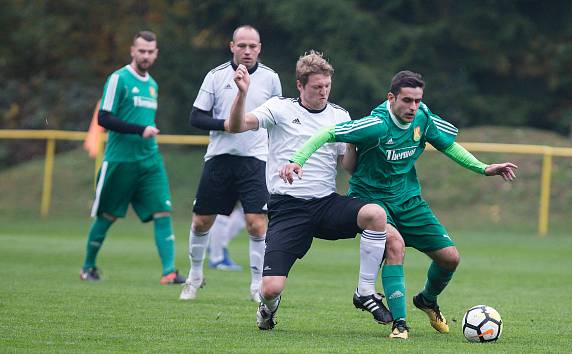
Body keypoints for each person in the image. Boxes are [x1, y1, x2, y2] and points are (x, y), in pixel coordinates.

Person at [282, 70, 518, 339]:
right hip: (370, 200)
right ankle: (400, 323)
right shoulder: (376, 125)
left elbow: (449, 146)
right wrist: (297, 160)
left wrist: (484, 168)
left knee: (450, 258)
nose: (413, 107)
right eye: (407, 100)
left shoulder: (423, 118)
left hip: (408, 200)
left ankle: (427, 300)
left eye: (417, 100)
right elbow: (327, 133)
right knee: (395, 246)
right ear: (391, 97)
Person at [227, 51, 392, 330]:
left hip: (326, 204)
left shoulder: (340, 115)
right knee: (269, 288)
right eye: (317, 87)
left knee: (375, 215)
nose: (323, 92)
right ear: (300, 85)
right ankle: (268, 310)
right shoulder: (279, 108)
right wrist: (242, 93)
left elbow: (348, 167)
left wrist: (354, 141)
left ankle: (365, 291)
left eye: (327, 86)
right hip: (288, 209)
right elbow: (235, 126)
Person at [179, 25, 282, 301]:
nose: (247, 51)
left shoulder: (271, 79)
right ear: (232, 47)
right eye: (242, 46)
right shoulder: (215, 76)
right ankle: (195, 276)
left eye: (253, 46)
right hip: (220, 158)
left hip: (256, 159)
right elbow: (196, 117)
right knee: (201, 221)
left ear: (259, 48)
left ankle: (257, 285)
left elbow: (277, 119)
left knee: (257, 223)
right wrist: (225, 124)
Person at [80, 31, 185, 285]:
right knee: (107, 215)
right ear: (132, 51)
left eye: (150, 51)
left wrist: (146, 131)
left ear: (156, 53)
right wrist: (140, 130)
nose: (146, 55)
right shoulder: (119, 78)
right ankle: (88, 266)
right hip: (120, 161)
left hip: (150, 161)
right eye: (142, 51)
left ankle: (169, 272)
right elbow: (104, 118)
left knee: (163, 212)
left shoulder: (153, 84)